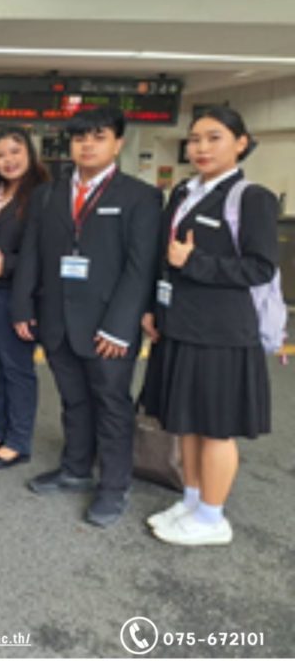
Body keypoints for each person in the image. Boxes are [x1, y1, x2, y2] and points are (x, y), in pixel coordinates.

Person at [12, 106, 162, 527]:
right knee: (73, 400)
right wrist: (22, 306)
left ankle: (114, 486)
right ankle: (76, 469)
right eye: (80, 138)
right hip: (57, 319)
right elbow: (32, 254)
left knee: (111, 405)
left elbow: (140, 267)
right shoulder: (48, 194)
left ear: (118, 143)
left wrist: (120, 326)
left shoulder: (140, 197)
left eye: (98, 137)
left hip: (108, 326)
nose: (88, 145)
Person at [141, 106, 277, 546]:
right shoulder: (184, 192)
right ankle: (193, 499)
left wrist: (194, 262)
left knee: (216, 427)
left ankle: (213, 518)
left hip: (222, 333)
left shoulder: (251, 198)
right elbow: (164, 257)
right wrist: (153, 308)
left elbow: (260, 267)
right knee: (187, 422)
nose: (201, 147)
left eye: (214, 137)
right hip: (180, 326)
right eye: (195, 138)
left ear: (241, 143)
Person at [0, 128, 49, 469]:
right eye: (1, 154)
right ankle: (0, 428)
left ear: (29, 153)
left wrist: (9, 265)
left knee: (17, 368)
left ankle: (18, 440)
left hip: (16, 294)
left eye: (15, 152)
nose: (8, 160)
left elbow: (47, 252)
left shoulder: (42, 195)